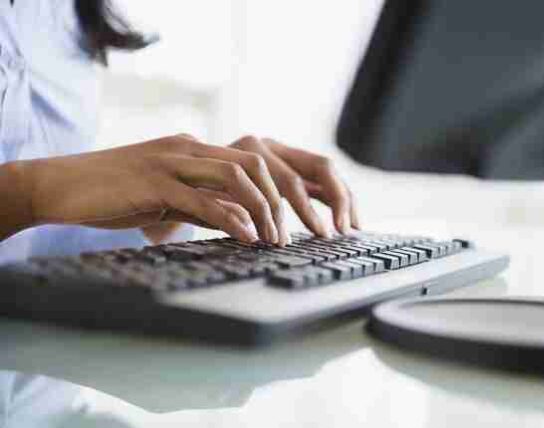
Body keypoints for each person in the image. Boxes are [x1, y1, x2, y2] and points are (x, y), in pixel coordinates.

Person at [0, 0, 360, 264]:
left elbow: (35, 249)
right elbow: (35, 200)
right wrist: (30, 192)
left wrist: (175, 201)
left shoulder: (65, 12)